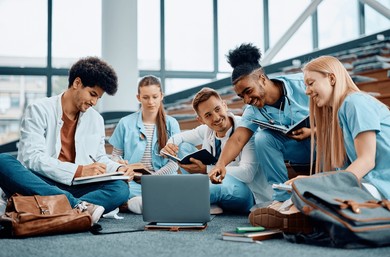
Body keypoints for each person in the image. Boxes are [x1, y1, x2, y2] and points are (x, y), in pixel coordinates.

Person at [249, 55, 390, 232]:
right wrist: (315, 181)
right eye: (306, 85)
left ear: (331, 78)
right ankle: (299, 214)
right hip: (371, 184)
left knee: (315, 189)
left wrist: (317, 182)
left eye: (310, 83)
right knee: (309, 187)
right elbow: (341, 172)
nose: (307, 91)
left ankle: (297, 214)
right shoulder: (338, 114)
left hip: (382, 186)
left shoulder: (355, 102)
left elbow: (366, 161)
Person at [0, 57, 131, 224]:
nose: (94, 102)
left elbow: (99, 158)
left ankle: (58, 206)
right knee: (3, 161)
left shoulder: (96, 119)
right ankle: (78, 206)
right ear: (77, 83)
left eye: (98, 98)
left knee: (120, 188)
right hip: (40, 181)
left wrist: (118, 168)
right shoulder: (39, 109)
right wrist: (78, 170)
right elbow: (31, 158)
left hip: (75, 186)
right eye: (92, 94)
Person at [209, 43, 311, 203]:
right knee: (263, 138)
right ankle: (282, 199)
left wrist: (314, 131)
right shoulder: (252, 110)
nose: (247, 100)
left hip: (325, 148)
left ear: (262, 79)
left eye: (248, 91)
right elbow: (237, 139)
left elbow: (337, 114)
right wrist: (220, 165)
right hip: (297, 155)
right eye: (241, 96)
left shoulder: (304, 84)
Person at [161, 87, 272, 214]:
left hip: (248, 192)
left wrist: (205, 169)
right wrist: (170, 145)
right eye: (208, 115)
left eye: (217, 109)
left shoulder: (246, 128)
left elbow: (247, 174)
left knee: (213, 187)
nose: (216, 118)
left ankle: (172, 204)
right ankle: (207, 201)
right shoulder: (206, 130)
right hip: (213, 181)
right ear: (201, 120)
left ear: (224, 106)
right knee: (183, 146)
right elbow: (179, 137)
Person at [109, 75, 180, 214]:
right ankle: (150, 202)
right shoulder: (125, 122)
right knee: (116, 189)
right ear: (138, 98)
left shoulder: (172, 124)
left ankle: (135, 203)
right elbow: (115, 156)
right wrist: (120, 164)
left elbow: (174, 163)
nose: (151, 102)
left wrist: (154, 179)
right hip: (133, 181)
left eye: (155, 97)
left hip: (162, 179)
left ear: (161, 96)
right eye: (145, 97)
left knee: (179, 187)